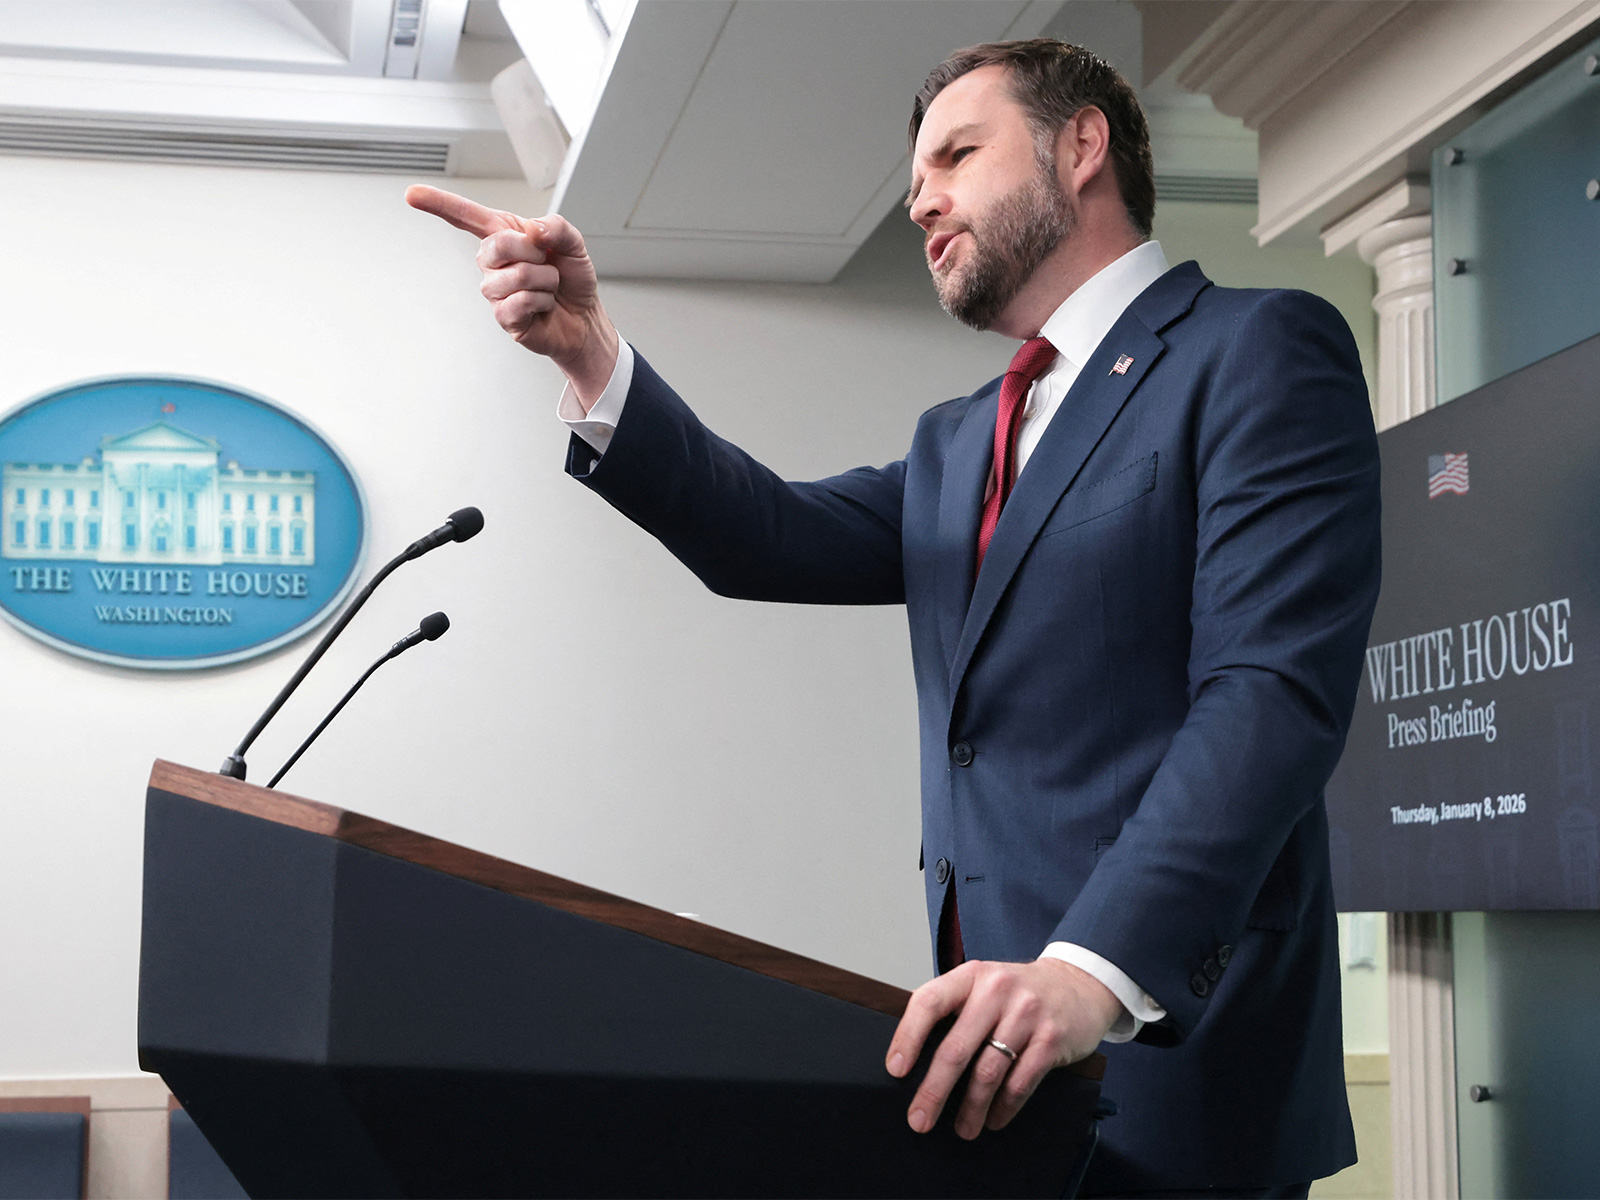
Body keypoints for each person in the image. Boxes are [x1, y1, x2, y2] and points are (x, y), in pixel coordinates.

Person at [409, 37, 1380, 1199]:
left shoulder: (1256, 350)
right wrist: (589, 353)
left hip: (1165, 1047)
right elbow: (758, 534)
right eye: (919, 173)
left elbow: (1269, 694)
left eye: (957, 154)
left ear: (1081, 148)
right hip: (983, 1070)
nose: (919, 197)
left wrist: (1087, 970)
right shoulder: (959, 438)